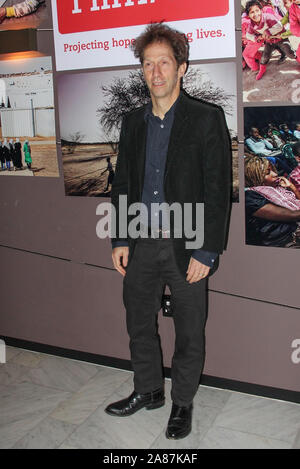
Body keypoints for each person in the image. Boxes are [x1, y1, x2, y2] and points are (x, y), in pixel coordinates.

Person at [106, 23, 231, 440]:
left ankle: (181, 403)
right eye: (148, 64)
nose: (155, 72)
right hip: (141, 242)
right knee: (138, 321)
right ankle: (147, 391)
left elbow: (216, 191)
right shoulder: (132, 123)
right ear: (142, 71)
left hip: (188, 243)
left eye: (164, 63)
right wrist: (121, 238)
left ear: (182, 68)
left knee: (189, 329)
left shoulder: (206, 119)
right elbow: (123, 182)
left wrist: (207, 251)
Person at [245, 155, 300, 247]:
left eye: (273, 170)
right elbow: (293, 215)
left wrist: (292, 187)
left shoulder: (279, 189)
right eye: (267, 173)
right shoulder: (251, 197)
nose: (275, 174)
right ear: (254, 177)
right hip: (285, 242)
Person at [244, 0, 295, 80]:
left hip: (280, 38)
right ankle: (261, 70)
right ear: (248, 15)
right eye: (252, 12)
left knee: (290, 53)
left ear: (261, 10)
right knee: (264, 57)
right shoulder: (251, 25)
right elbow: (248, 35)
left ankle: (297, 58)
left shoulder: (268, 17)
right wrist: (257, 38)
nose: (255, 14)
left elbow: (279, 26)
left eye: (257, 10)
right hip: (270, 42)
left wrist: (268, 32)